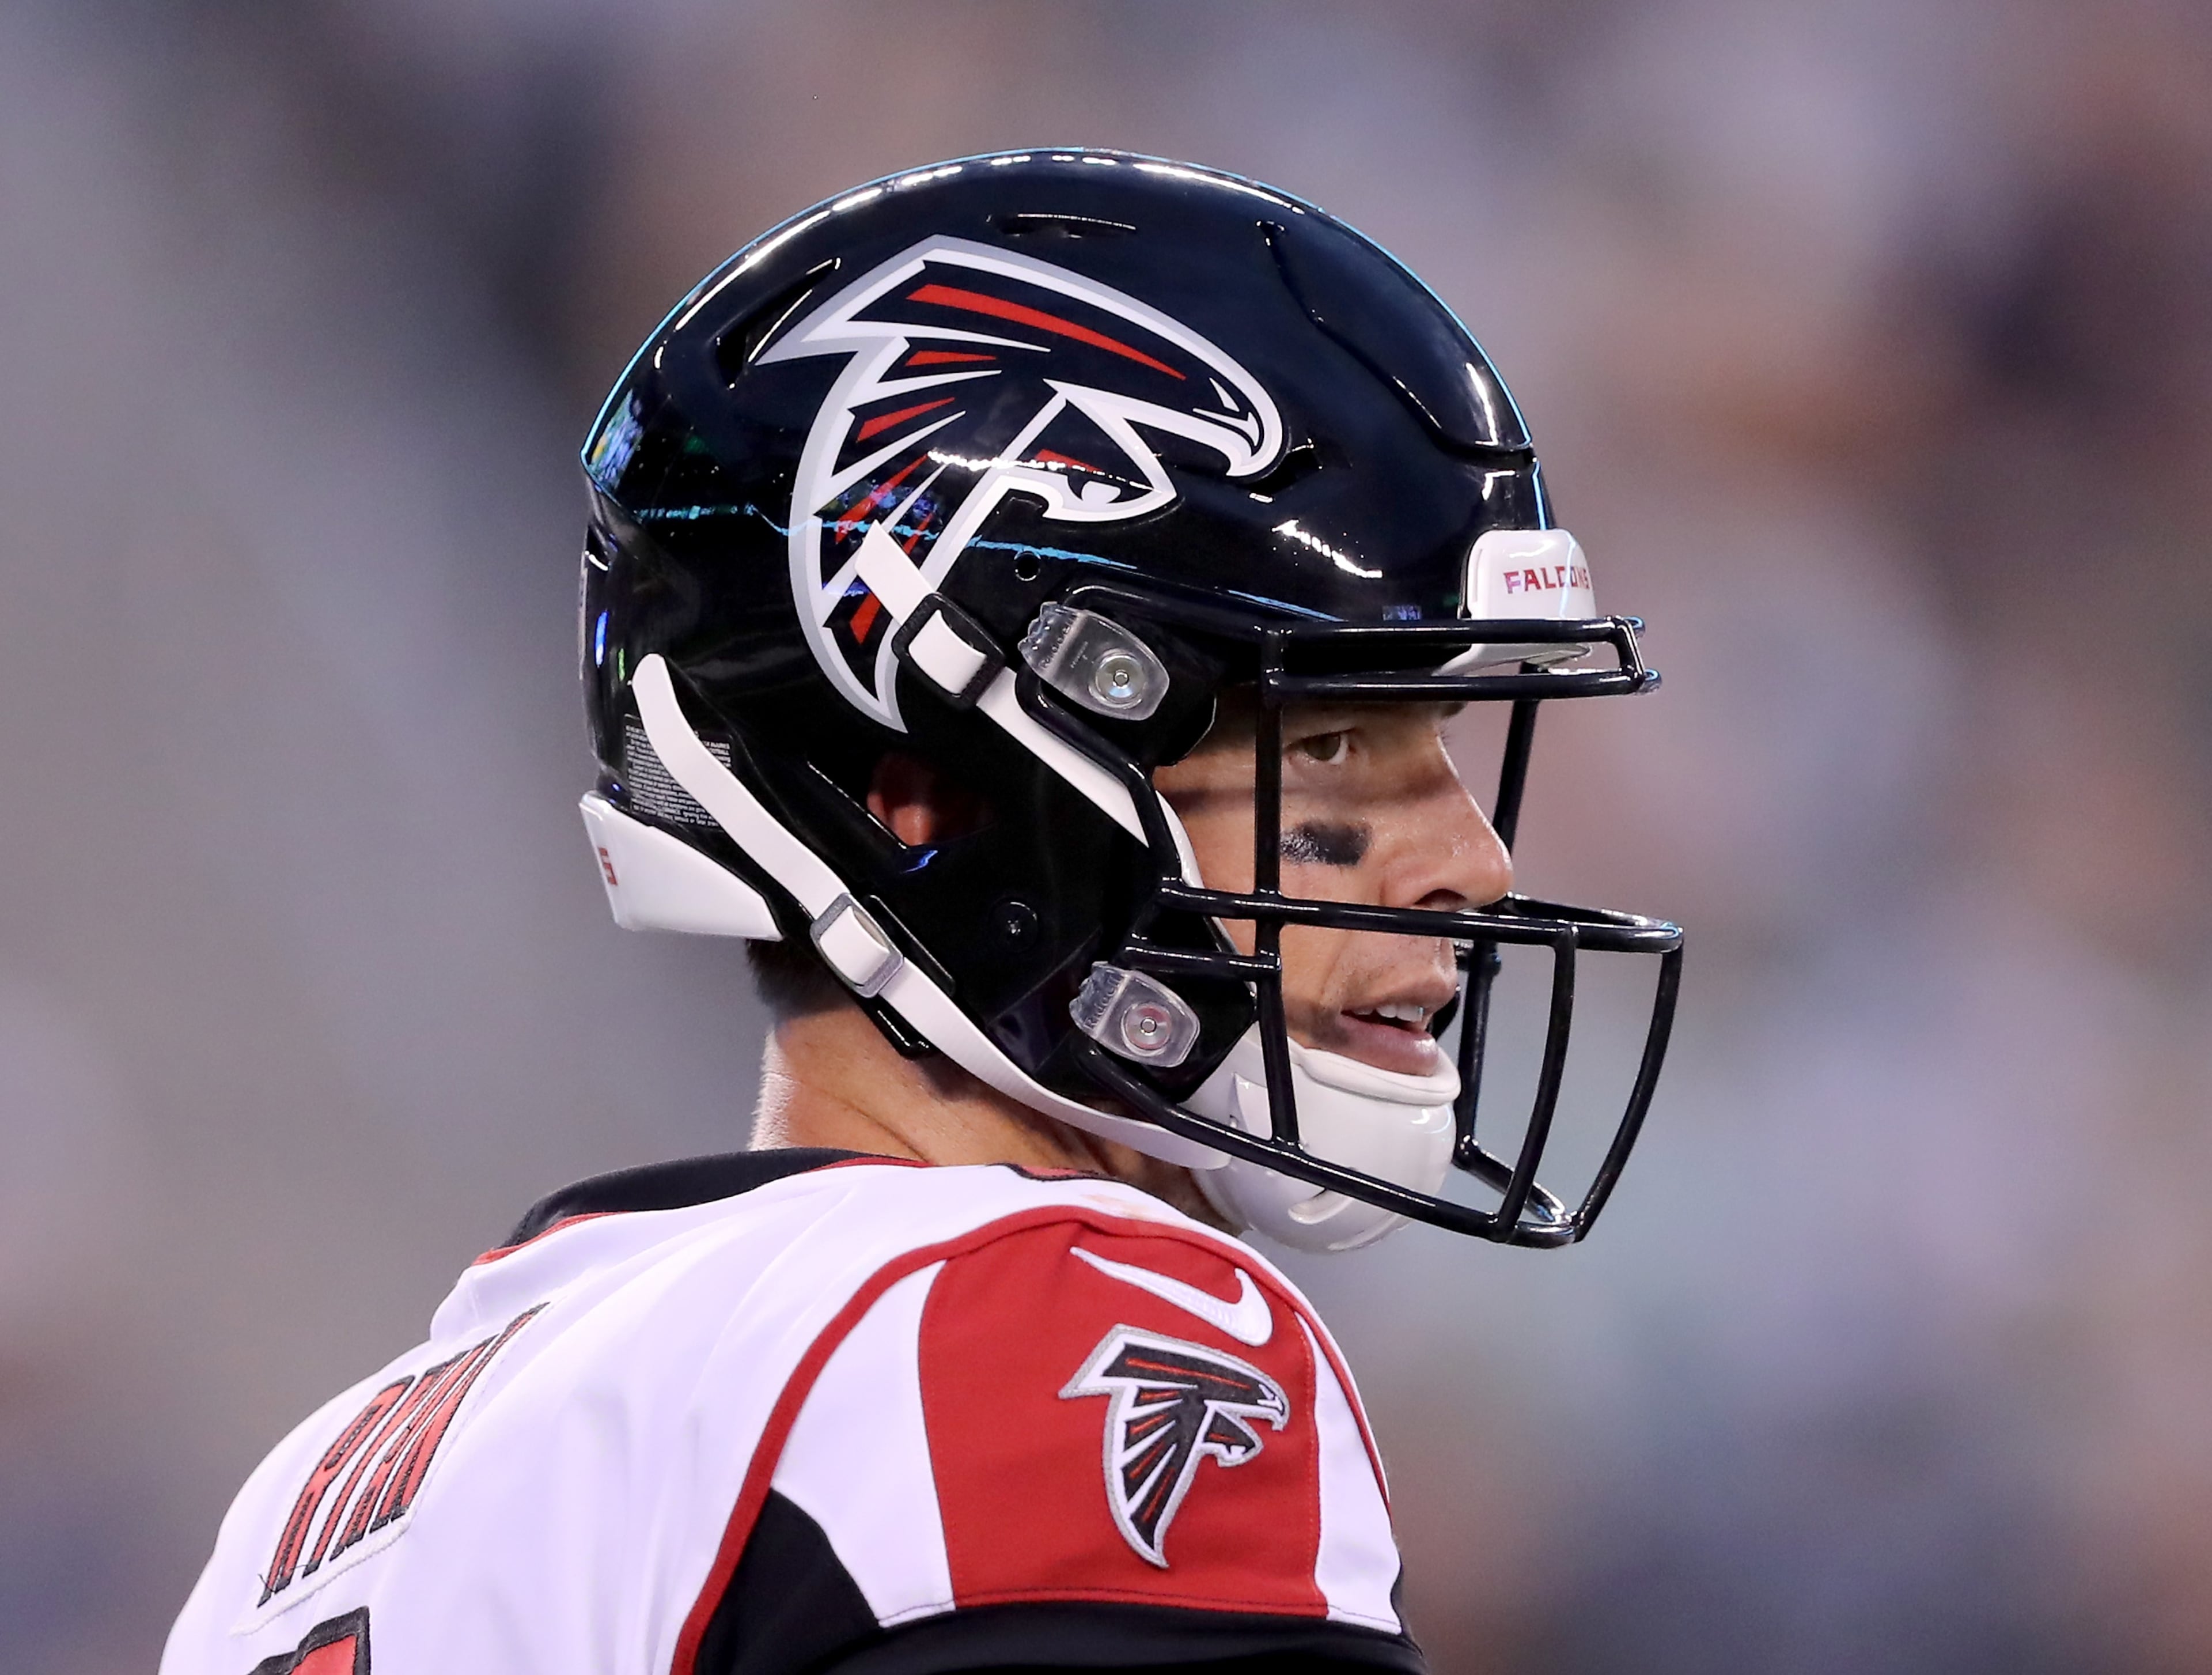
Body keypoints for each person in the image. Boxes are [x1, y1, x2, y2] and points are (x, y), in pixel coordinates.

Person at [161, 151, 1681, 1675]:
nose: (1470, 863)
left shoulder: (324, 1492)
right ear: (931, 799)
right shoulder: (1055, 1322)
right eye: (1336, 742)